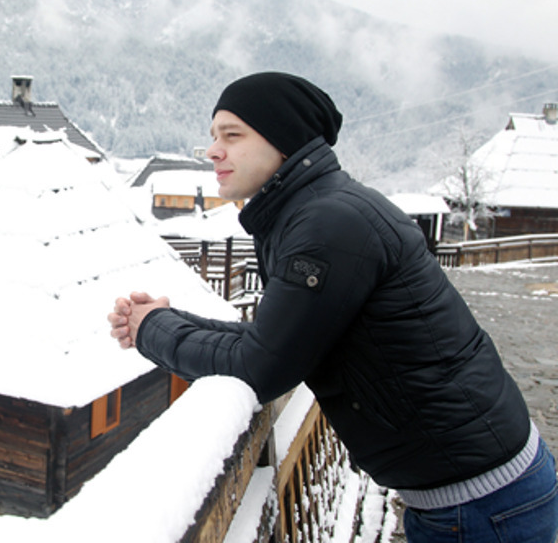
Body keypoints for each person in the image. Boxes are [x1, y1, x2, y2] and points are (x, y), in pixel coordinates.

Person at [108, 72, 558, 542]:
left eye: (232, 135)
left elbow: (262, 367)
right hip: (472, 492)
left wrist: (151, 330)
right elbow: (274, 338)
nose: (213, 151)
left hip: (482, 505)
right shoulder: (316, 210)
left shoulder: (326, 226)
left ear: (284, 140)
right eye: (212, 138)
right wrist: (166, 318)